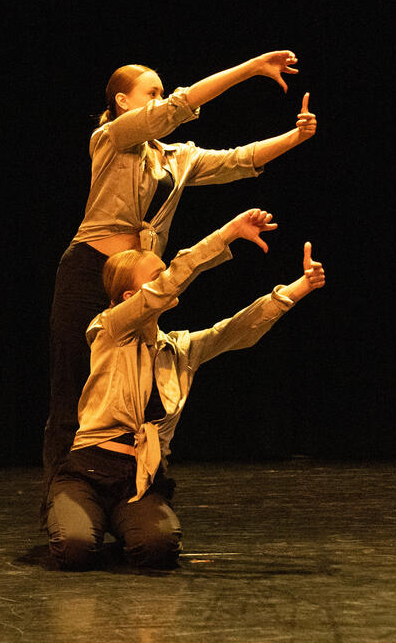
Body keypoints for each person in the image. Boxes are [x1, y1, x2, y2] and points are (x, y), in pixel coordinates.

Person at [44, 52, 318, 499]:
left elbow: (237, 160)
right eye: (151, 93)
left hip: (135, 284)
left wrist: (295, 137)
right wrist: (249, 69)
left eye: (160, 91)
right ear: (122, 102)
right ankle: (63, 500)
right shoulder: (111, 136)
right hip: (88, 273)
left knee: (133, 382)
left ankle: (133, 491)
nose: (162, 98)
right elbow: (180, 106)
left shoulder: (175, 158)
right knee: (71, 392)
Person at [45, 209, 326, 570]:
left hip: (139, 480)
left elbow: (234, 331)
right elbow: (177, 276)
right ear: (132, 295)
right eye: (158, 277)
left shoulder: (178, 350)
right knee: (75, 549)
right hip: (88, 472)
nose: (168, 282)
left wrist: (300, 286)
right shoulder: (109, 328)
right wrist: (228, 233)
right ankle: (83, 516)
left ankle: (123, 526)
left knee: (158, 550)